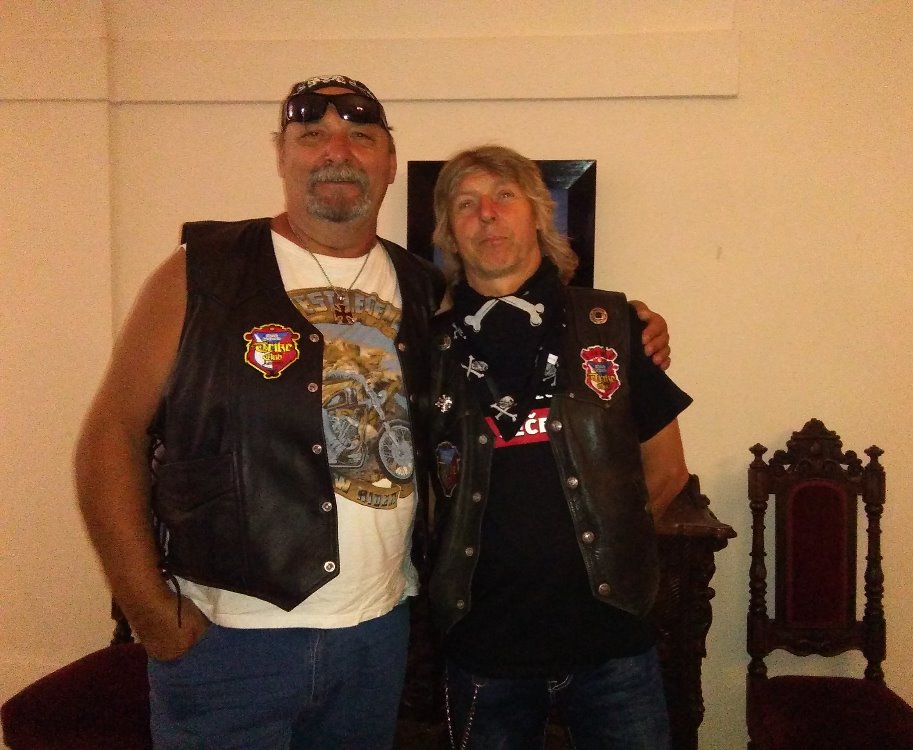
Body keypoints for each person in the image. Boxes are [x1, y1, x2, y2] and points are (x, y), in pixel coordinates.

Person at [74, 77, 672, 749]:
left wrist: (632, 324)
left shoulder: (424, 290)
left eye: (361, 136)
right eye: (312, 136)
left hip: (377, 636)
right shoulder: (203, 271)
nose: (338, 151)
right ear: (282, 155)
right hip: (231, 645)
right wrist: (148, 610)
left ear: (389, 164)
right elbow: (111, 436)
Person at [425, 145, 693, 749]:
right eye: (466, 204)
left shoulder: (612, 324)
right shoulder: (426, 348)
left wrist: (604, 551)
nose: (487, 214)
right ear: (449, 232)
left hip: (612, 647)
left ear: (538, 216)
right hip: (483, 650)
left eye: (504, 196)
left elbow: (668, 471)